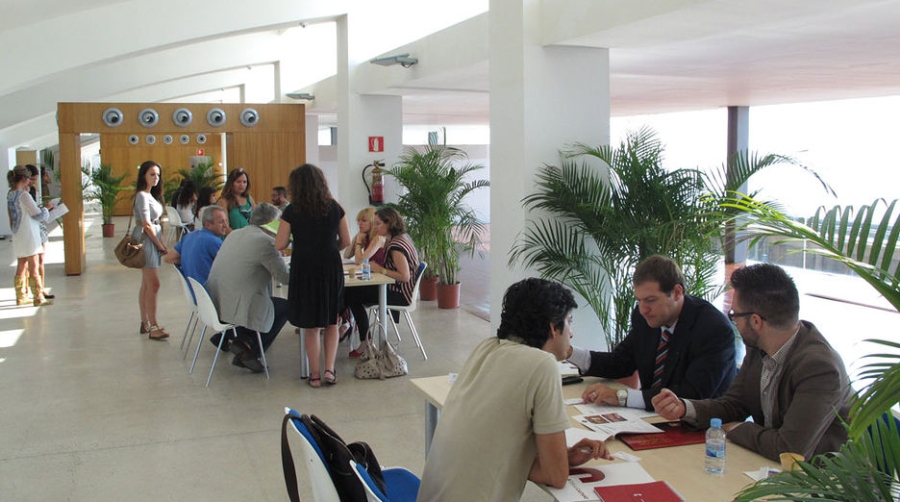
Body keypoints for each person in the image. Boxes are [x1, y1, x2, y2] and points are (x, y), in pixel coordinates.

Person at [417, 278, 612, 502]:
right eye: (569, 322)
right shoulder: (542, 365)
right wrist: (559, 461)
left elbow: (493, 450)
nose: (572, 334)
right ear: (553, 328)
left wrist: (563, 456)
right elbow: (556, 476)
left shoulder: (487, 347)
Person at [652, 263, 854, 462]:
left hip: (826, 485)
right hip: (769, 467)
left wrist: (738, 428)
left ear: (756, 321)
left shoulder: (819, 368)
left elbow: (789, 449)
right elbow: (734, 404)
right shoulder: (760, 346)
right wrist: (684, 408)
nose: (734, 322)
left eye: (734, 315)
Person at [569, 254, 736, 410]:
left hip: (702, 426)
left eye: (650, 300)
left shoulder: (713, 328)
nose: (643, 310)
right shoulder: (645, 318)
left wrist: (622, 397)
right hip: (651, 418)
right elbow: (621, 362)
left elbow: (692, 394)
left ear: (677, 292)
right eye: (639, 300)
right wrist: (568, 352)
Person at [275, 164, 350, 387]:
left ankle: (314, 374)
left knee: (311, 325)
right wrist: (327, 247)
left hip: (304, 266)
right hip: (329, 266)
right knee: (331, 321)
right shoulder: (335, 208)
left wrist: (299, 241)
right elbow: (346, 241)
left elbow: (279, 243)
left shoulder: (291, 210)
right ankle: (330, 370)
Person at [206, 203, 291, 373]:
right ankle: (251, 350)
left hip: (216, 303)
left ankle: (237, 339)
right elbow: (285, 277)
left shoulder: (235, 234)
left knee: (260, 298)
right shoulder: (265, 242)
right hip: (237, 304)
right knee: (286, 307)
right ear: (271, 224)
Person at [344, 206, 419, 358]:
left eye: (378, 224)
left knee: (351, 295)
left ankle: (365, 340)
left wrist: (380, 270)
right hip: (394, 288)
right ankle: (361, 335)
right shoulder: (400, 238)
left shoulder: (396, 246)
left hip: (399, 293)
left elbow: (404, 276)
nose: (375, 227)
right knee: (351, 293)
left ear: (389, 223)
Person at [133, 160, 169, 340]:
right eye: (152, 174)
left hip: (153, 238)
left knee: (147, 284)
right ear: (144, 176)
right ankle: (153, 325)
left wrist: (161, 241)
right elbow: (147, 224)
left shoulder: (151, 196)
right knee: (154, 284)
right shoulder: (142, 196)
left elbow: (156, 222)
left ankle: (146, 321)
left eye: (158, 175)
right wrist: (159, 244)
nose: (156, 178)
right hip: (147, 241)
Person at [7, 165, 53, 306]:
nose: (30, 181)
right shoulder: (24, 195)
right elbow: (37, 214)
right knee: (34, 265)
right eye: (28, 179)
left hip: (18, 232)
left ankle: (20, 296)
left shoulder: (10, 194)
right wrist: (47, 208)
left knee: (21, 264)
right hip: (29, 233)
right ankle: (38, 297)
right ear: (23, 179)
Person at [164, 205, 227, 284]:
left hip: (194, 291)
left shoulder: (189, 237)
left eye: (226, 221)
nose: (226, 226)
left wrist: (190, 260)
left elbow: (169, 258)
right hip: (210, 291)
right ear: (208, 225)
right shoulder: (214, 241)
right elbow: (228, 269)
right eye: (221, 222)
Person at [25, 164, 54, 300]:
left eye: (35, 180)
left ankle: (41, 289)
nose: (32, 183)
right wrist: (45, 210)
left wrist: (44, 209)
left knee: (40, 258)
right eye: (31, 179)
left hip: (38, 226)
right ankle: (30, 290)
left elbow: (35, 210)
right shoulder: (23, 194)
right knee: (28, 261)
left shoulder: (32, 191)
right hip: (31, 227)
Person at [217, 168, 254, 233]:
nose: (242, 185)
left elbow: (258, 219)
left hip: (249, 236)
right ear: (231, 183)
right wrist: (237, 238)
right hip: (232, 238)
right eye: (238, 182)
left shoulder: (249, 199)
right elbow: (225, 226)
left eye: (244, 182)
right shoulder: (223, 201)